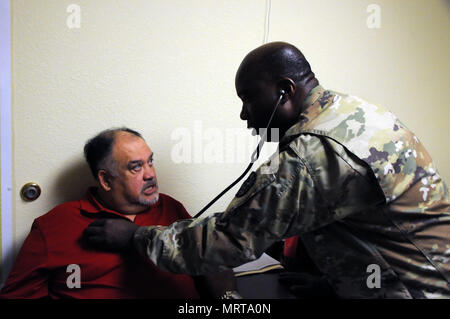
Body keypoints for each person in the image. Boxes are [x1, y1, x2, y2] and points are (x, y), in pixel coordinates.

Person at [83, 42, 450, 299]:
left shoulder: (313, 153)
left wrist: (134, 238)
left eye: (248, 99)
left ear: (283, 92)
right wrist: (338, 281)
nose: (244, 115)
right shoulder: (353, 113)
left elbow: (226, 241)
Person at [0, 127, 235, 299]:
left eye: (150, 162)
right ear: (105, 179)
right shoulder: (54, 226)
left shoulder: (171, 208)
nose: (150, 174)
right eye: (136, 167)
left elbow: (211, 268)